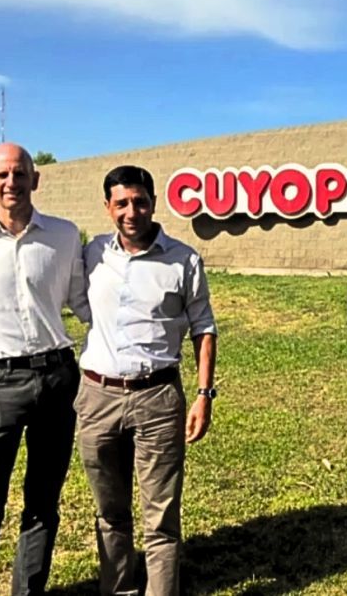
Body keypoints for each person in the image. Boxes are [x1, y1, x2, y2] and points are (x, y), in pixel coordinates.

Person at [0, 142, 90, 595]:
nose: (13, 182)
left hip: (57, 379)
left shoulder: (65, 236)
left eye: (21, 173)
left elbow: (84, 304)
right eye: (3, 175)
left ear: (36, 179)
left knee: (43, 506)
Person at [77, 165, 217, 595]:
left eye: (140, 201)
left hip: (158, 397)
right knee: (110, 512)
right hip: (97, 397)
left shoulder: (183, 259)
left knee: (160, 517)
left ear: (153, 203)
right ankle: (117, 589)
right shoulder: (91, 253)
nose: (131, 211)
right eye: (121, 203)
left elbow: (204, 328)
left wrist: (204, 394)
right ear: (108, 207)